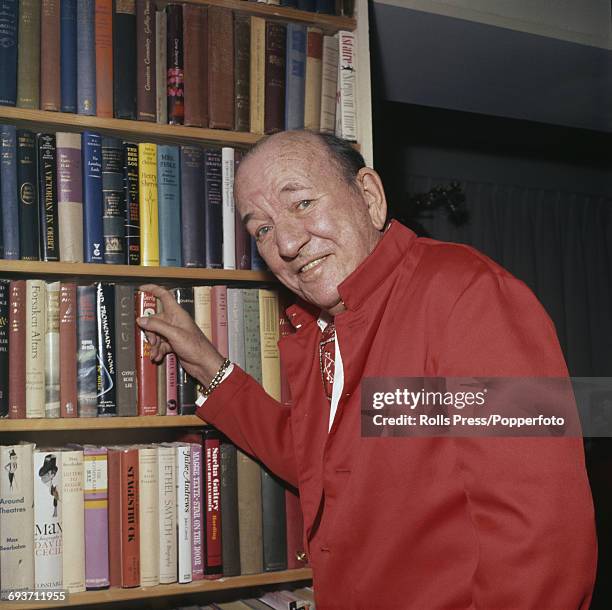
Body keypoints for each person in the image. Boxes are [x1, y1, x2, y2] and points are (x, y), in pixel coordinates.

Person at [138, 130, 597, 609]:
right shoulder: (328, 327)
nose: (288, 244)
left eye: (301, 203)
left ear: (370, 197)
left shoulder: (467, 295)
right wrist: (205, 361)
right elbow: (321, 462)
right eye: (263, 230)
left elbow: (547, 535)